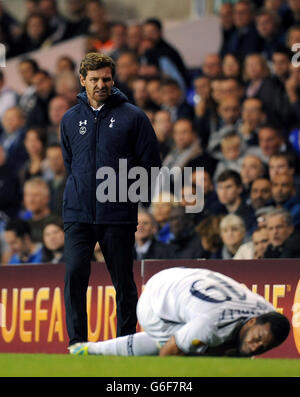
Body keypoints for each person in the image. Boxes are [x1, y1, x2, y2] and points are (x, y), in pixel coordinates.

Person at [60, 52, 161, 348]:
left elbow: (151, 165)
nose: (101, 84)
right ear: (83, 81)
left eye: (106, 78)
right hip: (77, 212)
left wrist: (126, 197)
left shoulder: (134, 116)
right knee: (75, 274)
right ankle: (77, 342)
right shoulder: (69, 119)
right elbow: (71, 162)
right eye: (94, 79)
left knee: (123, 281)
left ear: (113, 79)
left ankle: (125, 342)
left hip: (117, 214)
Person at [69, 266, 290, 357]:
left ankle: (86, 349)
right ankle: (93, 351)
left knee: (229, 348)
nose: (258, 346)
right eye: (258, 339)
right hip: (154, 304)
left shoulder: (267, 313)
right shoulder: (212, 325)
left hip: (180, 277)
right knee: (202, 349)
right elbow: (170, 351)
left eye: (265, 346)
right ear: (252, 322)